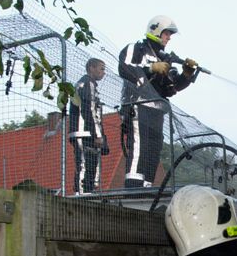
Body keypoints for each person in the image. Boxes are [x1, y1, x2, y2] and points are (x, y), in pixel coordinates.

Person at [118, 15, 198, 188]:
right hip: (138, 106)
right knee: (140, 145)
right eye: (167, 34)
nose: (169, 38)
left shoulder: (165, 59)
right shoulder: (136, 49)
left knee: (154, 148)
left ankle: (146, 186)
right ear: (156, 30)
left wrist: (186, 75)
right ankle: (133, 187)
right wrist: (150, 68)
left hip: (158, 110)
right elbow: (124, 67)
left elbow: (172, 88)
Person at [69, 58, 109, 194]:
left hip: (85, 132)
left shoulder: (84, 84)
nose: (104, 73)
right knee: (85, 165)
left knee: (89, 165)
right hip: (84, 133)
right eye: (101, 68)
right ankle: (81, 195)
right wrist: (98, 135)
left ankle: (87, 193)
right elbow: (89, 110)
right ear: (91, 68)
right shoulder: (87, 84)